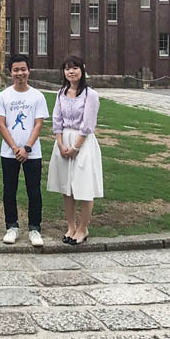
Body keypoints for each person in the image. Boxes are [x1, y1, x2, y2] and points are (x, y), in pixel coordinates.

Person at [0, 54, 49, 247]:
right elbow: (1, 124)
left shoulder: (37, 96)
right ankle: (12, 226)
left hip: (32, 152)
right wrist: (16, 148)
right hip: (9, 152)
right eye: (16, 70)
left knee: (34, 191)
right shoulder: (4, 95)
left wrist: (27, 147)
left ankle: (34, 228)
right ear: (11, 72)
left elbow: (38, 123)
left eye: (23, 69)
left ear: (28, 70)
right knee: (10, 190)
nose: (20, 73)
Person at [47, 55, 103, 246]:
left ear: (82, 70)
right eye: (67, 68)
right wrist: (61, 143)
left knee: (83, 186)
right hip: (63, 141)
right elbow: (57, 120)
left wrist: (76, 147)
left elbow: (88, 125)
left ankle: (83, 228)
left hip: (83, 143)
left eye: (75, 68)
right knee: (67, 187)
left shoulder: (90, 95)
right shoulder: (61, 92)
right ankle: (70, 226)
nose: (71, 72)